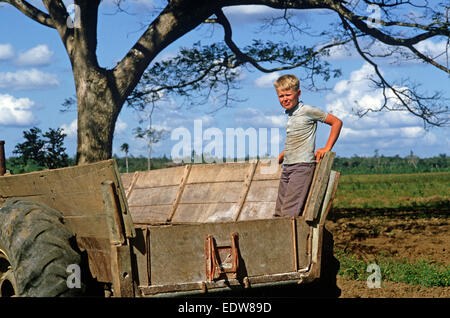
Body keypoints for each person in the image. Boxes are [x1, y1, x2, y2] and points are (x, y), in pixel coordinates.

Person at [274, 74, 342, 217]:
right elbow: (297, 139)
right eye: (281, 96)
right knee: (279, 213)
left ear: (298, 93)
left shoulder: (307, 111)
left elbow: (336, 122)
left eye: (288, 95)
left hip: (301, 167)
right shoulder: (291, 115)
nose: (285, 99)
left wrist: (327, 147)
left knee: (289, 213)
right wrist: (284, 153)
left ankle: (291, 239)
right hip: (288, 166)